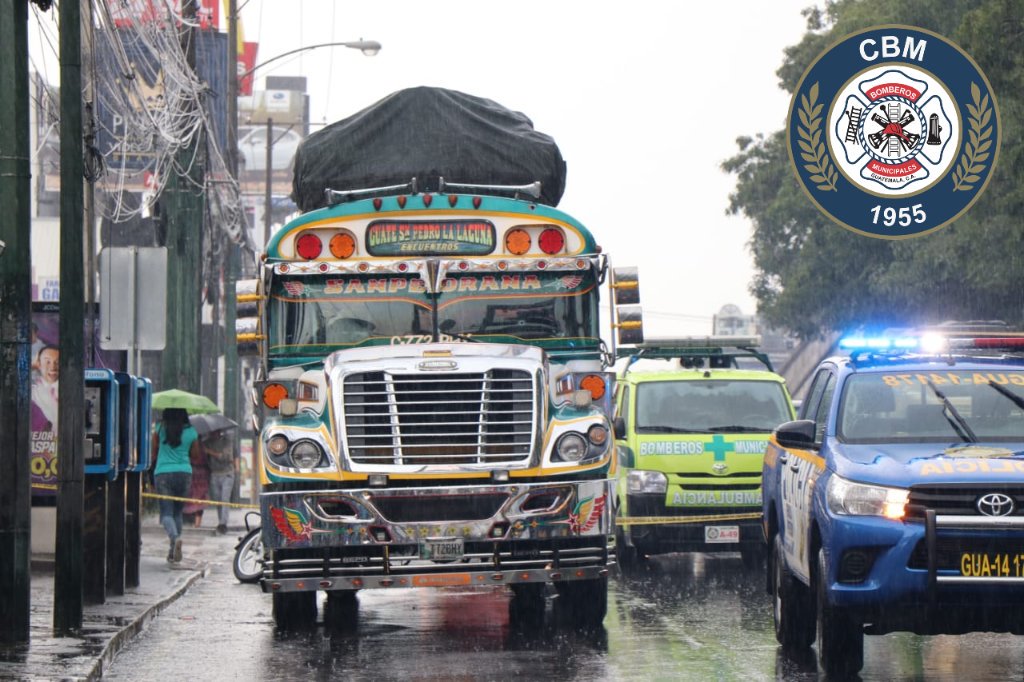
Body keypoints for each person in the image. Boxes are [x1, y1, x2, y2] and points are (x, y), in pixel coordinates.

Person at [151, 408, 199, 563]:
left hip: (163, 472)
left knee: (166, 513)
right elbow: (196, 455)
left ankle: (174, 538)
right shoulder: (191, 432)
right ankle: (173, 551)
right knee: (178, 513)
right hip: (184, 473)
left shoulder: (159, 429)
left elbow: (153, 450)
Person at [205, 430, 237, 534]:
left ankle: (223, 523)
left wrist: (209, 452)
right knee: (218, 500)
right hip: (214, 473)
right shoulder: (207, 442)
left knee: (224, 498)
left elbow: (225, 457)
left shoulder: (227, 442)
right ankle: (221, 521)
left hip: (227, 473)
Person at [183, 435, 210, 529]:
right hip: (202, 476)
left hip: (192, 474)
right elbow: (207, 462)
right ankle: (197, 523)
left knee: (191, 497)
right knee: (200, 499)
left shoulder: (188, 447)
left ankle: (192, 521)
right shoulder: (203, 447)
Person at [31, 344, 60, 430]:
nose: (53, 367)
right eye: (47, 362)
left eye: (57, 362)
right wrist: (32, 365)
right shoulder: (33, 391)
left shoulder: (70, 387)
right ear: (39, 364)